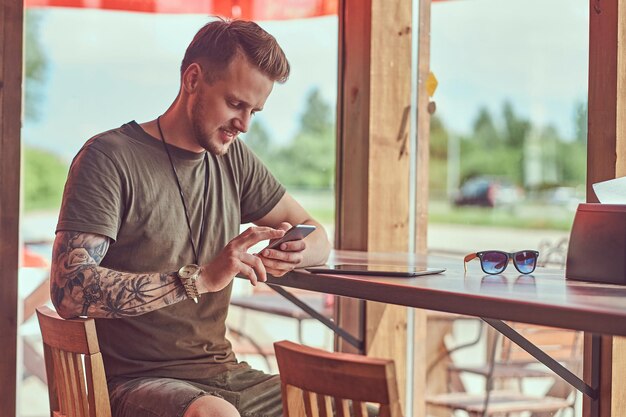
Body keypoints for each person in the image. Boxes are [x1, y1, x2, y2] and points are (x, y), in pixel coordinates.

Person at [50, 18, 331, 417]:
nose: (245, 124)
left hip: (225, 375)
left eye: (255, 111)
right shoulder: (108, 158)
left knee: (339, 404)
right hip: (131, 382)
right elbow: (68, 288)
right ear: (193, 79)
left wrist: (293, 252)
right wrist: (198, 279)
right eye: (235, 104)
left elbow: (319, 235)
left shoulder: (234, 161)